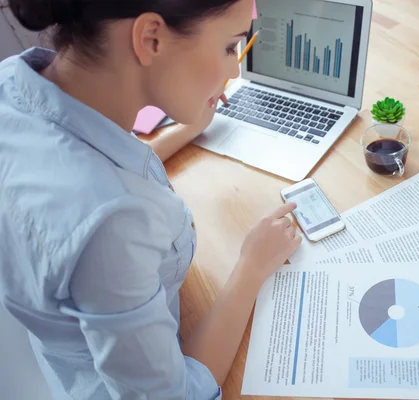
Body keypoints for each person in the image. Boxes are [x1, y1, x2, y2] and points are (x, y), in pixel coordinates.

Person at [0, 0, 302, 398]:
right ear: (151, 38)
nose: (235, 69)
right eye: (231, 47)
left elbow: (97, 160)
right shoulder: (111, 223)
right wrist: (250, 267)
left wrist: (189, 127)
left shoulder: (14, 81)